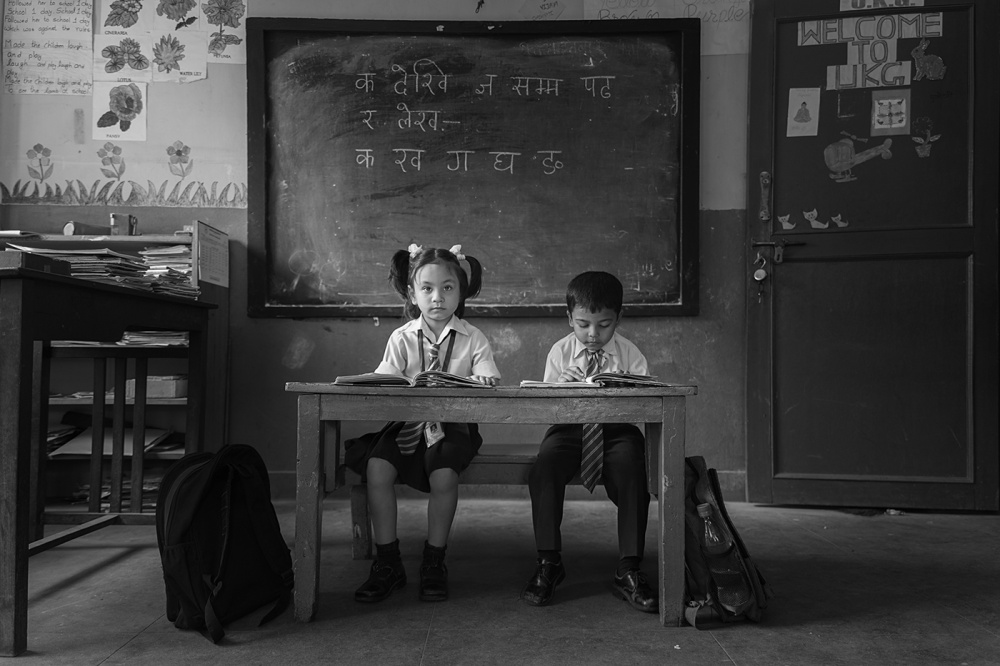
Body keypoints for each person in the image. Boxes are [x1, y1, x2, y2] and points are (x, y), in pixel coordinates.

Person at [347, 243, 500, 604]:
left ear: (461, 292)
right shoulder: (401, 337)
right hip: (407, 424)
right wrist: (385, 383)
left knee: (444, 474)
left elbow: (489, 378)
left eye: (447, 288)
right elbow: (384, 380)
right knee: (377, 468)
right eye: (427, 288)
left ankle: (434, 560)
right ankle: (388, 562)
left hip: (454, 425)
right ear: (412, 294)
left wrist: (482, 381)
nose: (437, 297)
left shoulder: (473, 337)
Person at [520, 271, 657, 613]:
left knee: (634, 468)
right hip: (569, 429)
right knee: (545, 466)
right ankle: (549, 561)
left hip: (617, 429)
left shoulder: (630, 353)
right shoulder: (560, 351)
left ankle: (628, 567)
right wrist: (561, 386)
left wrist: (628, 388)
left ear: (618, 318)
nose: (593, 334)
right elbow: (547, 407)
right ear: (570, 318)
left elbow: (647, 401)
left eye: (604, 324)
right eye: (583, 324)